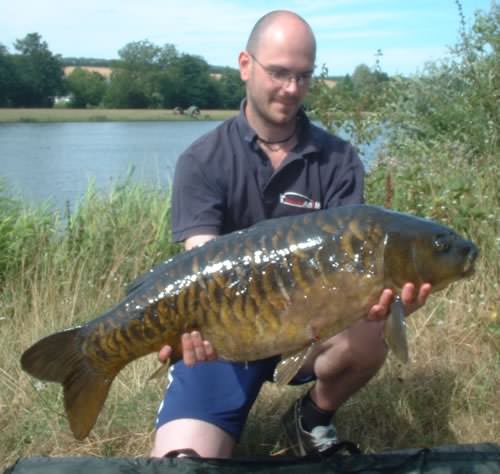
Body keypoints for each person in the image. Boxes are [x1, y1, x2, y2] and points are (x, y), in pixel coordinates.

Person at [150, 10, 431, 459]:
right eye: (279, 73)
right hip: (225, 339)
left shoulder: (337, 159)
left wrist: (391, 301)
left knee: (371, 331)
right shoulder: (202, 160)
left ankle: (312, 417)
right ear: (245, 65)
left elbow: (357, 272)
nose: (291, 89)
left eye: (303, 76)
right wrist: (190, 327)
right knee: (182, 463)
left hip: (309, 330)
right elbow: (200, 261)